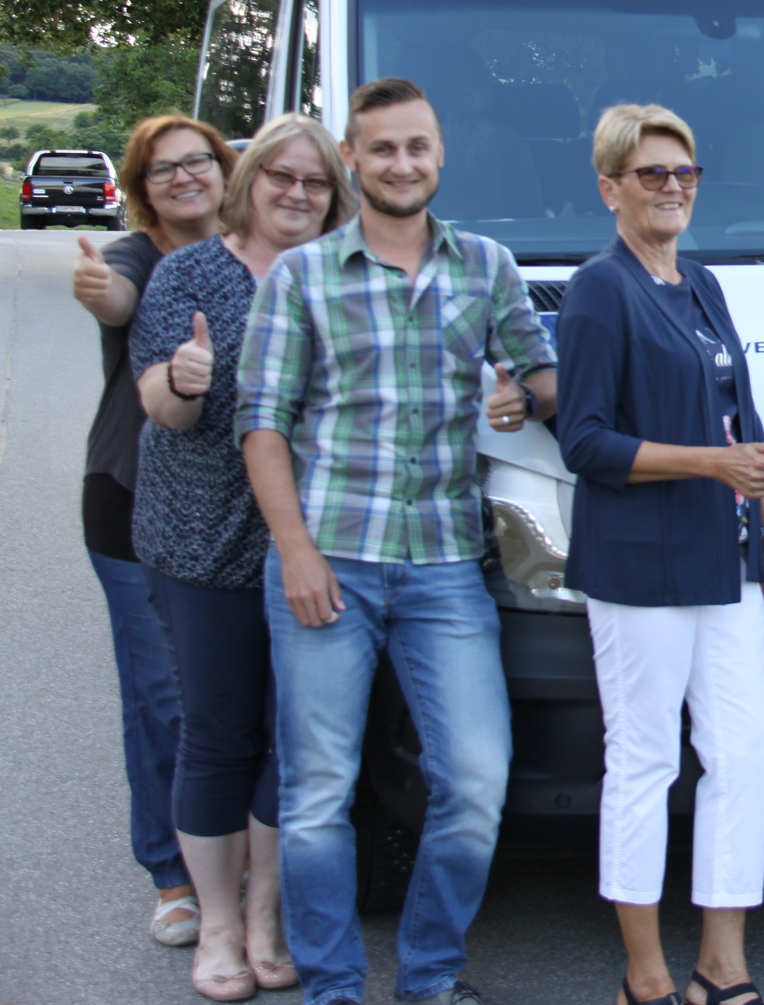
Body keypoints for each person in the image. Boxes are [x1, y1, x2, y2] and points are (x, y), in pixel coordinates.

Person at [237, 79, 557, 1005]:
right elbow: (262, 424)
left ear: (440, 154)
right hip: (328, 560)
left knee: (476, 779)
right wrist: (296, 551)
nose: (402, 163)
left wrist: (524, 394)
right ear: (352, 159)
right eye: (382, 148)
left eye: (417, 146)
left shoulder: (486, 265)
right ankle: (333, 986)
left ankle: (429, 973)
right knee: (317, 793)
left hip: (446, 567)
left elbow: (543, 375)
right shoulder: (302, 275)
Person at [557, 104, 764, 1005]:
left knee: (743, 753)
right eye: (651, 173)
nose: (672, 187)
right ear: (610, 188)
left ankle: (721, 964)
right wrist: (708, 463)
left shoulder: (701, 283)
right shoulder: (598, 289)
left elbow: (746, 425)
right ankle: (646, 973)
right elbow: (584, 441)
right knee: (647, 760)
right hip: (638, 567)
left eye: (684, 172)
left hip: (722, 558)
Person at [132, 114, 356, 1001]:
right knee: (219, 732)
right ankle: (218, 925)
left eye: (315, 181)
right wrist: (183, 379)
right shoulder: (189, 272)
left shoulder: (345, 276)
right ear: (250, 179)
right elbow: (160, 403)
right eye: (281, 176)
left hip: (316, 542)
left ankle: (266, 916)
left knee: (293, 737)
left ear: (333, 197)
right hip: (203, 539)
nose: (297, 193)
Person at [71, 113, 238, 948]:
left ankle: (226, 852)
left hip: (227, 510)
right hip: (130, 499)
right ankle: (172, 873)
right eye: (162, 169)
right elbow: (119, 294)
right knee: (162, 697)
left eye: (197, 161)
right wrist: (101, 290)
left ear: (223, 168)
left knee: (223, 696)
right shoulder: (139, 257)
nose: (184, 177)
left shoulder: (257, 251)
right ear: (142, 189)